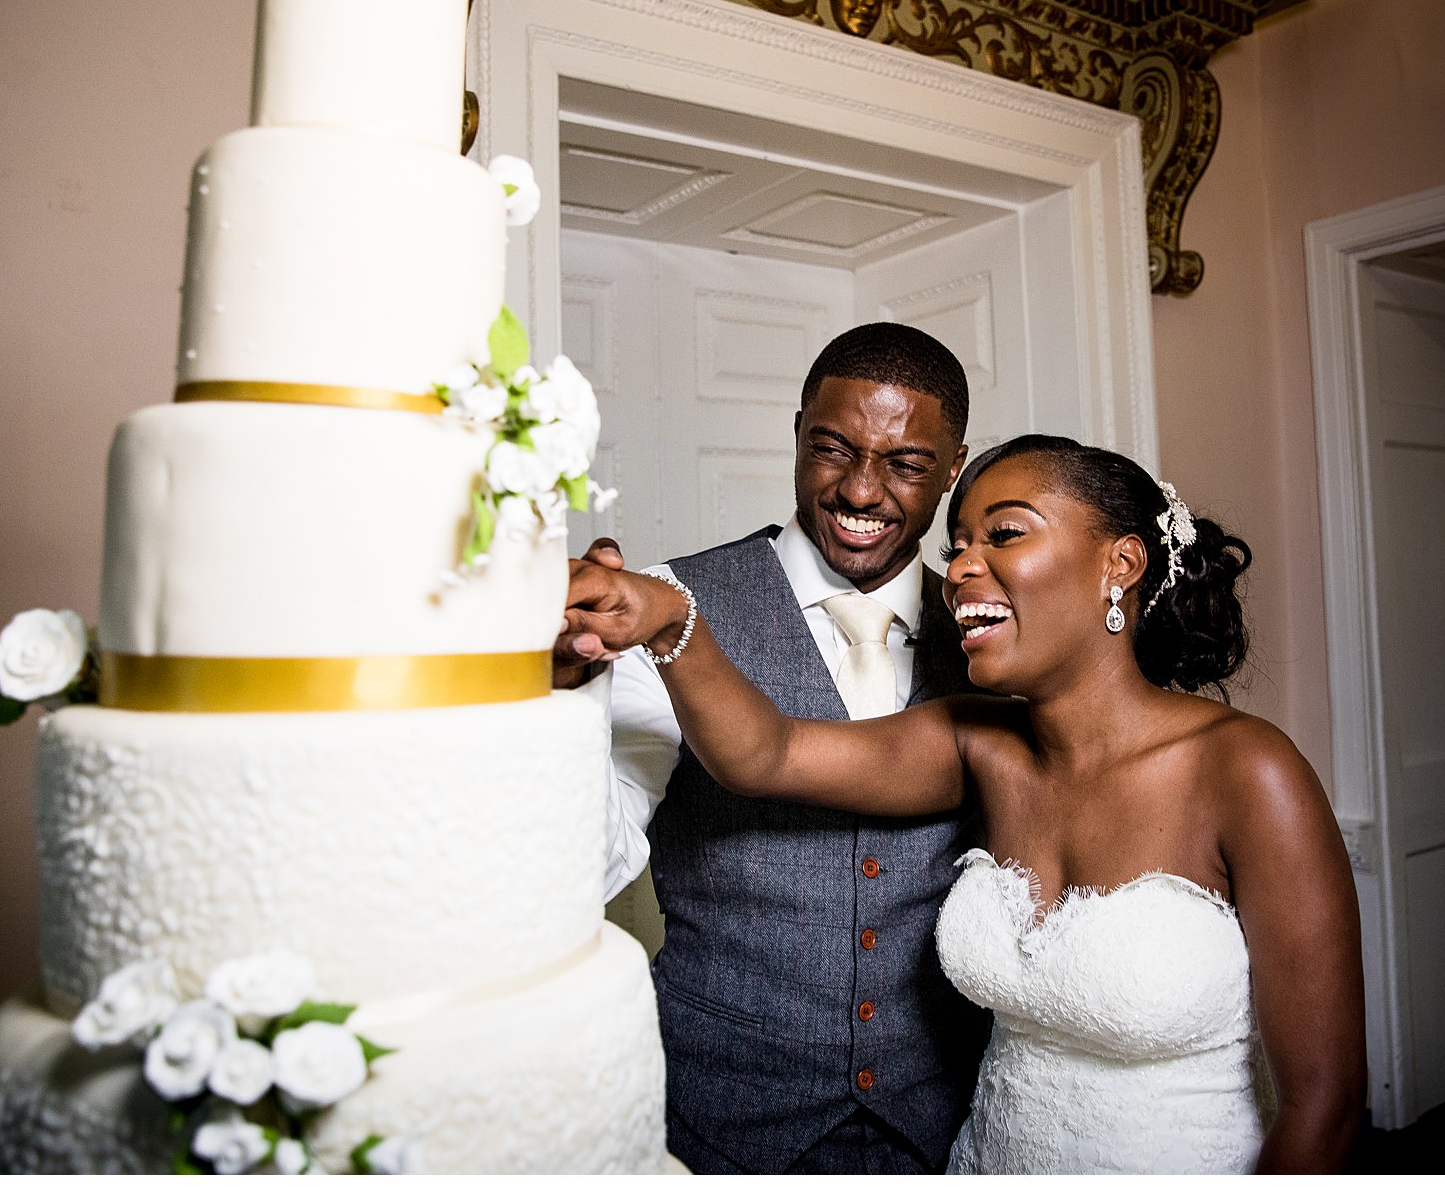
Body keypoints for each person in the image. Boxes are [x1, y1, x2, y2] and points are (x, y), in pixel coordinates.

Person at [565, 434, 1368, 1174]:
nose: (959, 569)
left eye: (1005, 535)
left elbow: (1323, 1106)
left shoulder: (1248, 770)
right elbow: (766, 752)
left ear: (1119, 562)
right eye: (959, 548)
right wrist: (671, 619)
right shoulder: (974, 741)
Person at [554, 323, 990, 1174]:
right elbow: (587, 870)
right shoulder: (669, 608)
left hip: (944, 1120)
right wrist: (569, 699)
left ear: (954, 467)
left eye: (905, 463)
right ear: (797, 430)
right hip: (718, 1116)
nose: (861, 490)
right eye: (833, 448)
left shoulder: (991, 636)